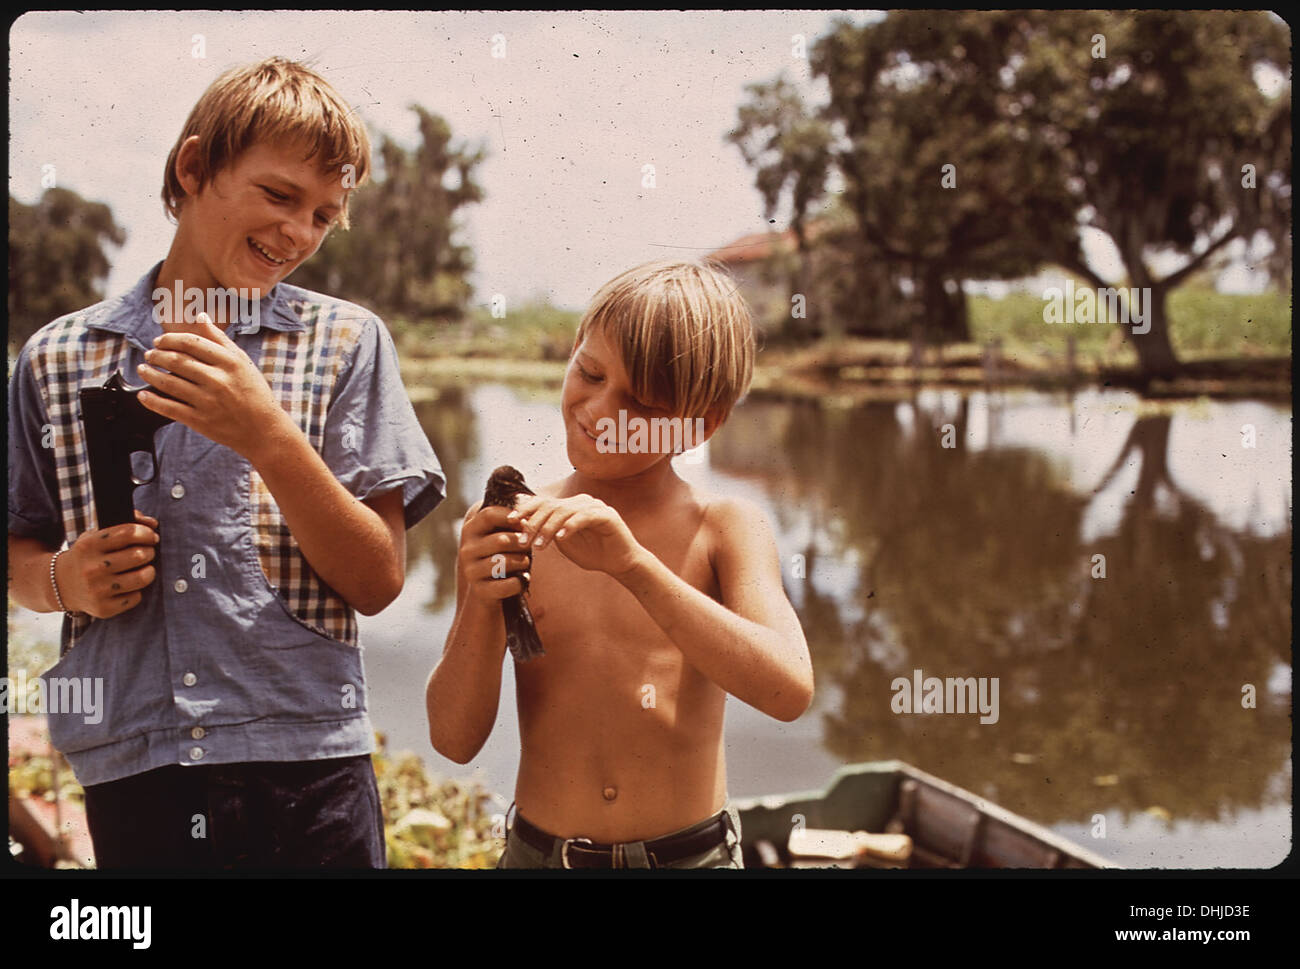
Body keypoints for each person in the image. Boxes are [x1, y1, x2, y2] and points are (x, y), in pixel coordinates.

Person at [6, 57, 445, 868]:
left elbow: (380, 579)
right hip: (134, 766)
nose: (298, 233)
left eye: (323, 215)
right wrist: (67, 580)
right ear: (194, 166)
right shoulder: (55, 358)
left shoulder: (346, 344)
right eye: (279, 195)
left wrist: (268, 434)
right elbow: (18, 553)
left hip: (309, 768)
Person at [426, 259, 813, 869]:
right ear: (574, 351)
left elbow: (789, 690)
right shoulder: (511, 523)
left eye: (639, 402)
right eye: (590, 372)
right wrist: (480, 599)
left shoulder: (723, 526)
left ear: (699, 427)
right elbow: (452, 738)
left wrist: (634, 567)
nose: (601, 411)